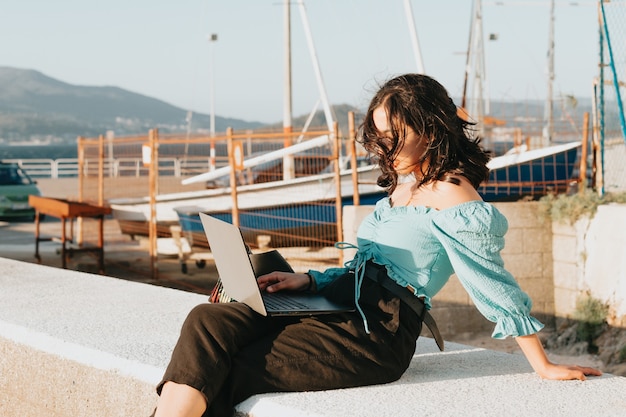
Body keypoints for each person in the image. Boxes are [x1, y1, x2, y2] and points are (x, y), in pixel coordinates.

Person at [153, 73, 602, 417]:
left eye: (394, 135)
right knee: (209, 320)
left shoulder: (454, 194)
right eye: (380, 135)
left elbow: (491, 282)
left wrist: (542, 364)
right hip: (342, 308)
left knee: (227, 368)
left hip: (375, 337)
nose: (384, 146)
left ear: (430, 127)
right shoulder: (402, 189)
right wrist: (307, 279)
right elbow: (364, 269)